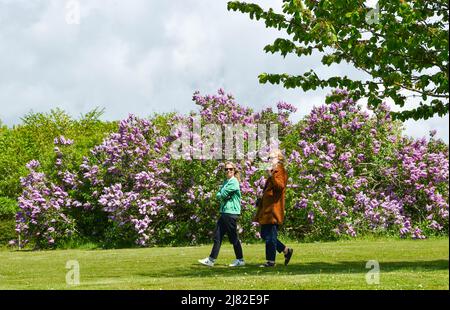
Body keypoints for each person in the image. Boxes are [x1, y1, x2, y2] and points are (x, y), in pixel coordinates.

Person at [198, 162, 245, 267]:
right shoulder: (226, 182)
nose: (228, 171)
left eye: (230, 169)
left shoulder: (234, 182)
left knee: (233, 237)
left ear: (234, 170)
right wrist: (222, 194)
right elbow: (219, 194)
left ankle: (240, 260)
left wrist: (223, 194)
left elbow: (222, 194)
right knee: (217, 236)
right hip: (224, 212)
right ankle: (211, 260)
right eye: (226, 169)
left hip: (231, 212)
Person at [254, 149, 293, 267]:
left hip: (274, 210)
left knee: (270, 237)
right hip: (267, 209)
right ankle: (286, 250)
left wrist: (271, 176)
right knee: (264, 235)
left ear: (279, 159)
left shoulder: (281, 171)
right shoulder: (274, 171)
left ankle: (270, 262)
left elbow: (280, 186)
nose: (269, 160)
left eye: (272, 158)